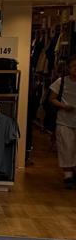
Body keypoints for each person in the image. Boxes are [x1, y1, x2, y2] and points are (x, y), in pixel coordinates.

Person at [49, 57, 76, 188]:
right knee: (66, 147)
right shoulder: (61, 81)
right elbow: (52, 98)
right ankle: (68, 176)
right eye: (73, 66)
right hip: (64, 120)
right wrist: (64, 106)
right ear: (69, 68)